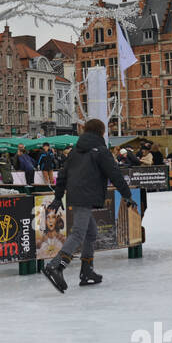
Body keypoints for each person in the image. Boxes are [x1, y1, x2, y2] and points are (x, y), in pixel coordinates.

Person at [40, 118, 136, 292]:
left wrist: (58, 196)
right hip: (86, 196)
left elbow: (62, 174)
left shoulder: (75, 151)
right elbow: (114, 174)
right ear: (101, 132)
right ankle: (56, 266)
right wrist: (127, 195)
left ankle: (86, 271)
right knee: (78, 233)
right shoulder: (100, 150)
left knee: (91, 233)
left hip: (75, 195)